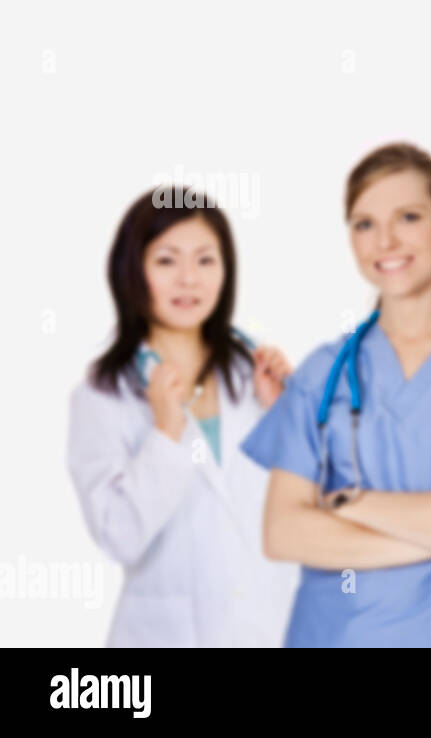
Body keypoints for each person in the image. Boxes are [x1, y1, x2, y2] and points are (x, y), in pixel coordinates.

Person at [240, 143, 431, 647]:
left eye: (408, 216)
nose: (384, 240)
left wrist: (346, 502)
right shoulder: (324, 373)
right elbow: (283, 532)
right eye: (364, 223)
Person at [67, 186, 298, 647]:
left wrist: (287, 418)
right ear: (133, 272)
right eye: (167, 260)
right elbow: (120, 538)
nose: (189, 279)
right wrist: (166, 431)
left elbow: (318, 505)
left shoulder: (256, 376)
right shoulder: (103, 394)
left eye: (205, 260)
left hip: (271, 629)